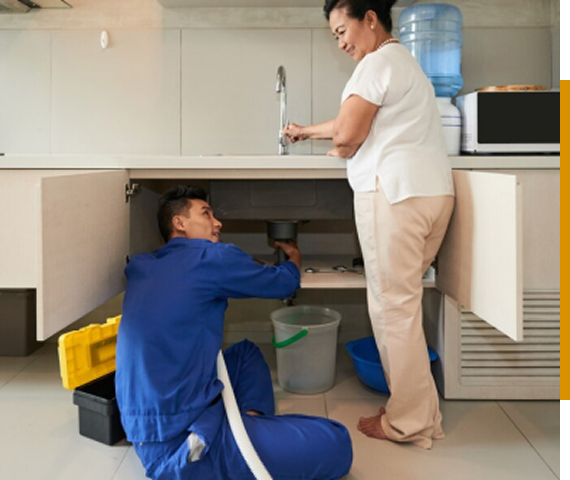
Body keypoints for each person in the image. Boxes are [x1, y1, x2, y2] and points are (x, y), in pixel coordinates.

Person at [283, 0, 455, 450]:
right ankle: (421, 412)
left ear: (370, 20)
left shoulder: (374, 64)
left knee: (393, 310)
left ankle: (407, 422)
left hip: (394, 196)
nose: (340, 42)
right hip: (432, 194)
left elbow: (349, 133)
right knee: (403, 305)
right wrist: (307, 131)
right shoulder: (403, 63)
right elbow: (351, 123)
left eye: (343, 31)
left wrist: (340, 146)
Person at [115, 185, 353, 480]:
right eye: (206, 214)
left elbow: (196, 281)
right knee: (338, 443)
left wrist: (241, 266)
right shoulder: (213, 257)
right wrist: (294, 257)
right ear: (179, 223)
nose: (218, 223)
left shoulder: (143, 264)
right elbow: (284, 284)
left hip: (144, 429)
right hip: (185, 447)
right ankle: (238, 447)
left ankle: (245, 430)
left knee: (245, 354)